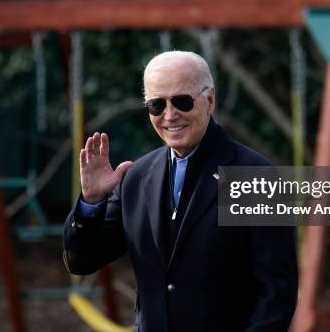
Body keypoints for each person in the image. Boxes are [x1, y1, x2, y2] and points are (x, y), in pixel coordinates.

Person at [63, 51, 297, 332]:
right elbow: (82, 261)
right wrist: (91, 202)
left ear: (210, 100)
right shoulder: (136, 177)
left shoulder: (254, 175)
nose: (170, 115)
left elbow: (276, 294)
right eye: (157, 105)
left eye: (182, 101)